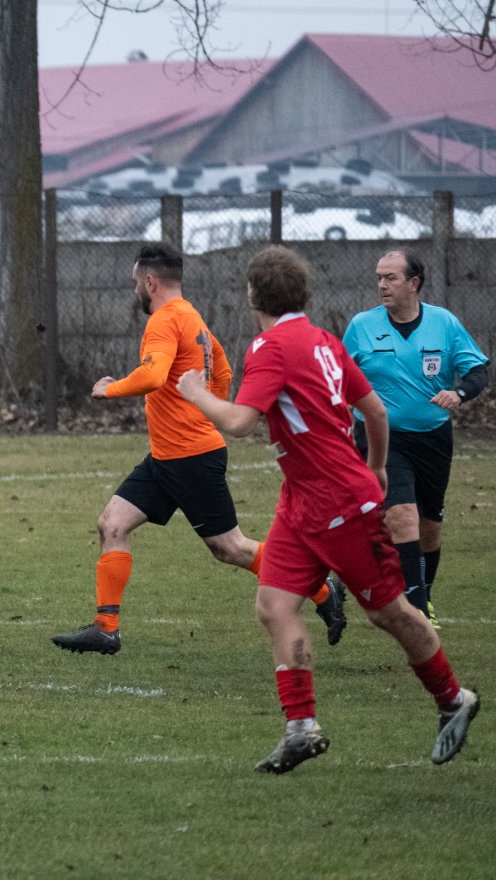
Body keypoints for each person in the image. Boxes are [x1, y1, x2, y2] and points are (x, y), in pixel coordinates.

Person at [177, 245, 478, 773]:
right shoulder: (323, 341)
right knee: (274, 605)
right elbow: (375, 411)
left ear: (253, 294)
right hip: (301, 502)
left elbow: (242, 421)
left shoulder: (271, 346)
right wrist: (380, 467)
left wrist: (197, 392)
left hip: (340, 503)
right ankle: (301, 727)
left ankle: (454, 699)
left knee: (389, 613)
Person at [51, 242, 345, 656]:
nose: (135, 288)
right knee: (112, 524)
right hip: (168, 455)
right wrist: (204, 409)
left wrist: (109, 389)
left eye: (136, 282)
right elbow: (221, 369)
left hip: (189, 457)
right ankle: (105, 628)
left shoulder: (163, 321)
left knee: (230, 547)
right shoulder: (191, 317)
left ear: (149, 281)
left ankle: (321, 589)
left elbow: (153, 376)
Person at [341, 249, 488, 628]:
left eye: (390, 278)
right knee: (401, 514)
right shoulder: (361, 325)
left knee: (429, 526)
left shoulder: (444, 324)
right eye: (379, 277)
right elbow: (337, 378)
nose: (382, 285)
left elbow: (477, 370)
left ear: (413, 283)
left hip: (433, 438)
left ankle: (423, 593)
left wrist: (459, 394)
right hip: (381, 437)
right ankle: (416, 611)